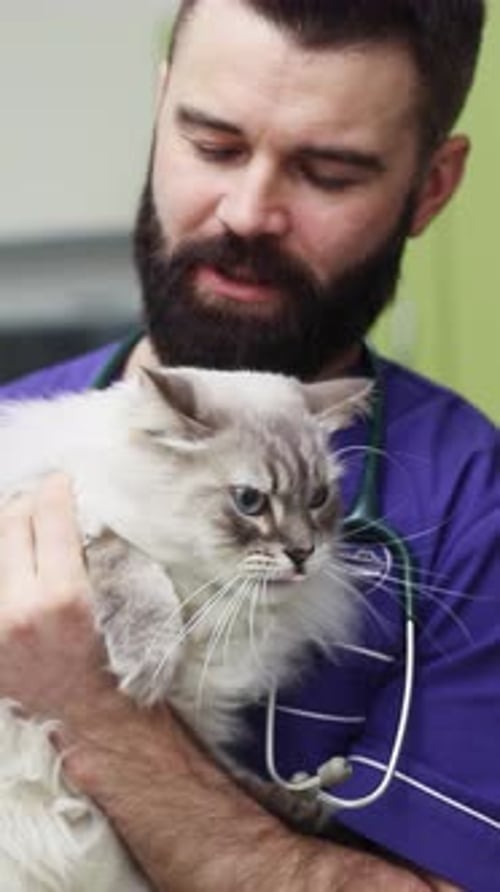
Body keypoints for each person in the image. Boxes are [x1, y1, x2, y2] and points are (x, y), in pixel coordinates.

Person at [0, 1, 497, 889]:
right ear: (159, 115)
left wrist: (92, 712)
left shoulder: (470, 511)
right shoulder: (19, 428)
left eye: (329, 172)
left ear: (431, 188)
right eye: (213, 145)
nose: (248, 211)